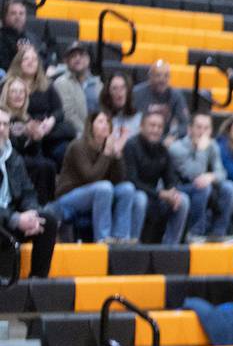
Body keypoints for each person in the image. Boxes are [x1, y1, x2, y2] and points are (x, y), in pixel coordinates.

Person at [53, 110, 144, 242]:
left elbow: (118, 180)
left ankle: (122, 237)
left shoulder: (108, 146)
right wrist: (106, 153)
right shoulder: (78, 146)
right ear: (91, 126)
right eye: (101, 122)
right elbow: (90, 177)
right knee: (104, 188)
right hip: (70, 196)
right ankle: (103, 238)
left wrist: (117, 155)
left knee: (127, 188)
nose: (105, 125)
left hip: (99, 193)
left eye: (108, 122)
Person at [0, 106, 59, 278]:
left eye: (5, 124)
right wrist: (15, 219)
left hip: (10, 219)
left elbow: (28, 191)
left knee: (46, 221)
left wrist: (31, 213)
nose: (1, 129)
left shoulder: (13, 157)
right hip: (5, 219)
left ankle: (37, 284)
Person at [125, 108, 189, 244]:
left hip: (155, 196)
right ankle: (132, 244)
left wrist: (172, 192)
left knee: (182, 200)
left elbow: (170, 178)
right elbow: (132, 181)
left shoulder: (163, 149)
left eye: (159, 126)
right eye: (152, 125)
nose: (156, 130)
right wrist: (160, 194)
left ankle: (171, 247)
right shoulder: (130, 146)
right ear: (142, 126)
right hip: (134, 195)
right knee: (140, 199)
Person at [168, 113, 233, 240]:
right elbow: (194, 174)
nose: (202, 132)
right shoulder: (177, 148)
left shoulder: (212, 145)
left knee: (228, 187)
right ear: (190, 129)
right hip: (179, 188)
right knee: (203, 188)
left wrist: (211, 177)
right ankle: (194, 233)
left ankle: (219, 232)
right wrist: (201, 150)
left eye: (206, 128)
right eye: (199, 127)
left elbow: (222, 173)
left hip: (201, 186)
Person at [7, 46, 73, 168]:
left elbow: (59, 111)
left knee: (67, 150)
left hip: (48, 134)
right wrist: (30, 126)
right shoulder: (9, 85)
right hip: (22, 136)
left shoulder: (47, 85)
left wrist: (51, 121)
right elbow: (6, 111)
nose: (31, 62)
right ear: (18, 63)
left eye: (34, 59)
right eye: (26, 59)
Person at [3, 75, 56, 204]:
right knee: (41, 166)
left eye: (21, 92)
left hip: (24, 158)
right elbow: (9, 146)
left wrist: (35, 138)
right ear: (6, 95)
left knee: (49, 165)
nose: (18, 95)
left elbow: (35, 152)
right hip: (8, 160)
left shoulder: (27, 117)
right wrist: (25, 136)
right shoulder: (3, 115)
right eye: (14, 92)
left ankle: (46, 205)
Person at [133, 60, 189, 143]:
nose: (162, 80)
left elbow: (184, 124)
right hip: (141, 137)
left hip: (167, 138)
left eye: (166, 76)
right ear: (150, 76)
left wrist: (173, 136)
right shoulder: (137, 93)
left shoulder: (176, 96)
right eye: (158, 75)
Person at [53, 42, 100, 135]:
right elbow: (69, 115)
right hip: (75, 134)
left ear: (88, 59)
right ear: (67, 62)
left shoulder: (98, 83)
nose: (78, 58)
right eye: (73, 56)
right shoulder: (61, 83)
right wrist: (87, 135)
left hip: (97, 132)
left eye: (81, 55)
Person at [0, 0, 47, 71]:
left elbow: (44, 58)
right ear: (5, 17)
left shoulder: (32, 37)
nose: (18, 17)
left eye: (21, 13)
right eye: (13, 13)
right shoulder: (1, 38)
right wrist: (18, 55)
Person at [100, 72, 142, 144]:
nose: (119, 92)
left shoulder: (139, 118)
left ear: (128, 91)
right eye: (114, 88)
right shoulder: (101, 119)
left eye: (123, 87)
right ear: (108, 93)